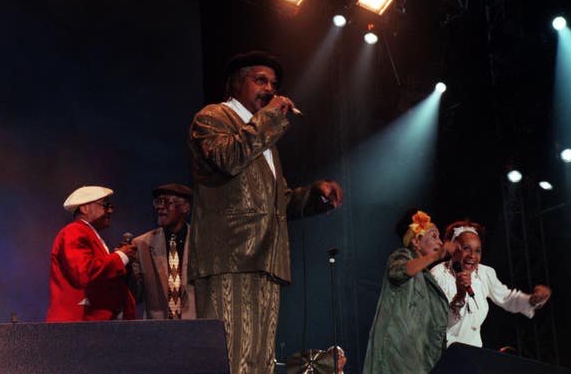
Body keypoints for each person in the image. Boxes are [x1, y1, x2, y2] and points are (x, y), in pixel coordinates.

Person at [187, 50, 343, 374]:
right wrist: (270, 119)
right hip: (231, 257)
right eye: (260, 80)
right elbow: (228, 158)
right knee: (230, 359)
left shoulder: (264, 140)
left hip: (266, 259)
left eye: (273, 83)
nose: (270, 89)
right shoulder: (212, 117)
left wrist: (316, 196)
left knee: (260, 363)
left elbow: (280, 201)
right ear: (236, 84)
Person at [362, 208, 459, 374]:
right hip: (396, 357)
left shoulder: (427, 277)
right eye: (434, 236)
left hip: (418, 359)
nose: (440, 242)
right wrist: (435, 257)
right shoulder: (402, 256)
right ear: (416, 241)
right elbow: (399, 271)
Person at [430, 219, 552, 348]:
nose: (472, 256)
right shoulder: (438, 275)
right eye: (466, 248)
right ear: (454, 249)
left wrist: (533, 300)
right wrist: (460, 296)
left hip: (474, 353)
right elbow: (437, 322)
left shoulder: (484, 273)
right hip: (443, 352)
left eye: (478, 251)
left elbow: (507, 298)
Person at [46, 185, 137, 321]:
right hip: (78, 326)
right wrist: (120, 257)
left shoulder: (89, 235)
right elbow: (83, 272)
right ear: (84, 208)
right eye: (105, 205)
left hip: (90, 326)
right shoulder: (74, 231)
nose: (111, 210)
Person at [128, 183, 195, 319]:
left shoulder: (200, 241)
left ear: (185, 207)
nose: (160, 207)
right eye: (157, 202)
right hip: (158, 330)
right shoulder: (142, 244)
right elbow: (136, 296)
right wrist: (128, 270)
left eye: (166, 202)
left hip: (195, 326)